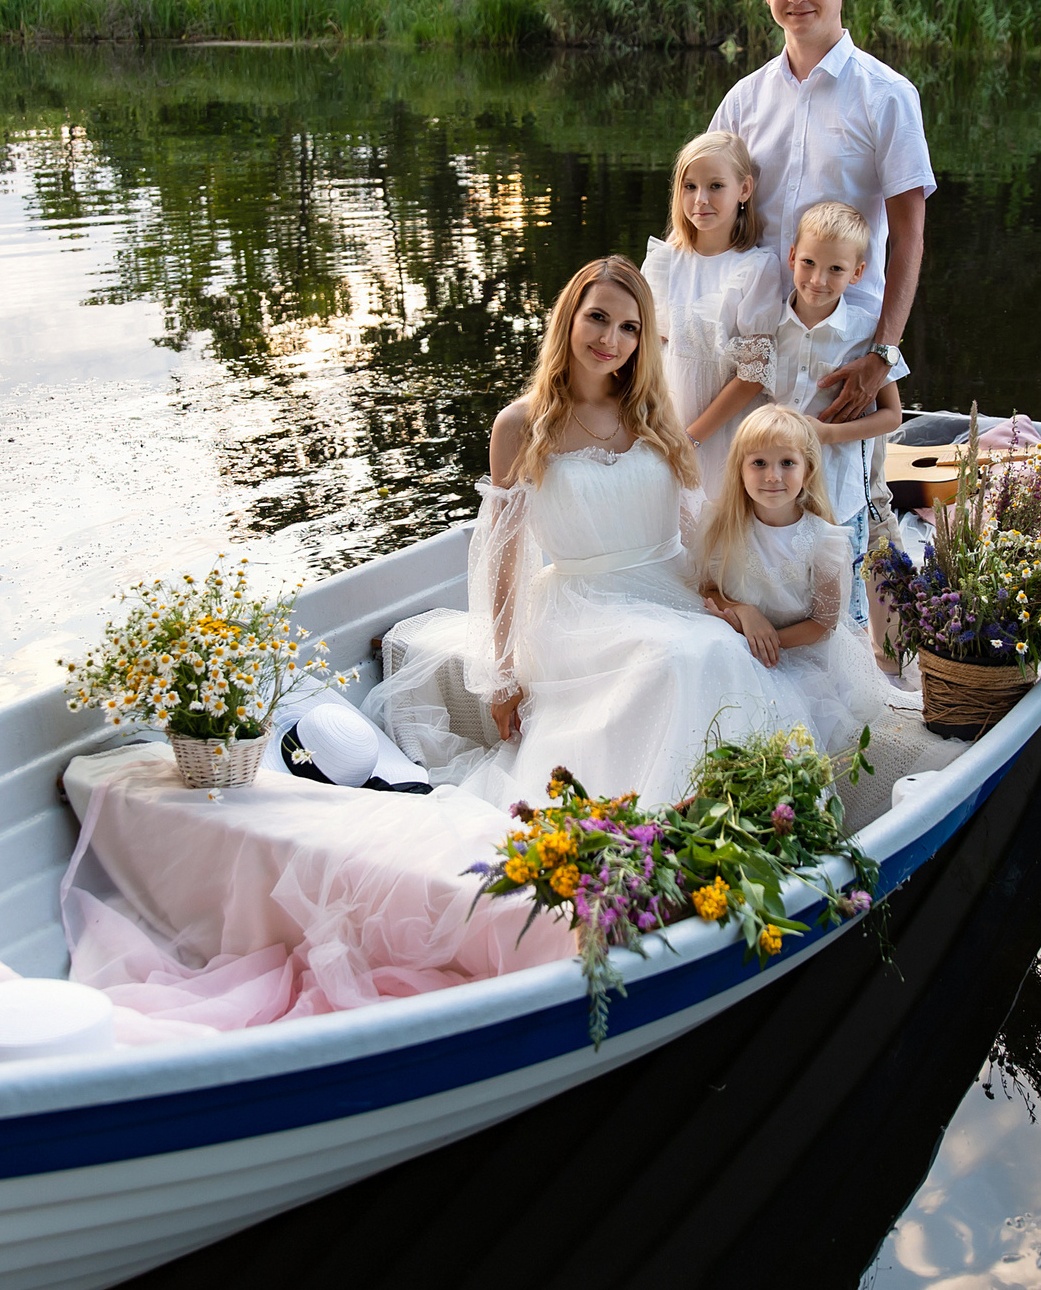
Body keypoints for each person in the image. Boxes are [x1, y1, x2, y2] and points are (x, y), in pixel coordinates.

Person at [382, 256, 791, 810]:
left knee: (717, 647)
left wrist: (727, 600)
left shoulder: (652, 410)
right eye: (598, 318)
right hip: (582, 606)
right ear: (569, 317)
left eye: (630, 328)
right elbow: (504, 555)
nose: (611, 340)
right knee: (674, 657)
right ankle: (653, 818)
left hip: (668, 586)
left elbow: (689, 527)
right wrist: (502, 674)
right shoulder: (520, 425)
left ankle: (726, 810)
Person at [708, 0, 935, 423]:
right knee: (739, 490)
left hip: (843, 344)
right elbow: (704, 215)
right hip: (751, 340)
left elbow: (910, 236)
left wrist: (883, 354)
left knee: (835, 495)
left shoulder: (888, 96)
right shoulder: (744, 100)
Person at [696, 406, 902, 751]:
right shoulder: (722, 525)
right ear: (740, 471)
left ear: (807, 470)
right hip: (742, 643)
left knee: (785, 731)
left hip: (798, 655)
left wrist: (764, 642)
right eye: (758, 463)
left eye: (787, 463)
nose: (773, 476)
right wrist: (745, 613)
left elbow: (823, 623)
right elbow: (709, 588)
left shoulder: (824, 540)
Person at [761, 200, 905, 626]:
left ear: (857, 273)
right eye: (808, 263)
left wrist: (825, 436)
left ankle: (852, 667)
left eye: (836, 270)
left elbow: (892, 416)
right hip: (774, 487)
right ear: (792, 257)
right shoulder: (768, 323)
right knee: (784, 585)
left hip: (838, 491)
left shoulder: (866, 334)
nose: (818, 280)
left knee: (841, 602)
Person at [641, 130, 784, 497]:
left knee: (716, 526)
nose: (700, 200)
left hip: (723, 432)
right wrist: (654, 427)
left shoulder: (756, 268)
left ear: (744, 190)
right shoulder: (664, 261)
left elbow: (753, 373)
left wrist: (692, 439)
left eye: (715, 186)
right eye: (689, 186)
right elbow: (644, 352)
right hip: (664, 426)